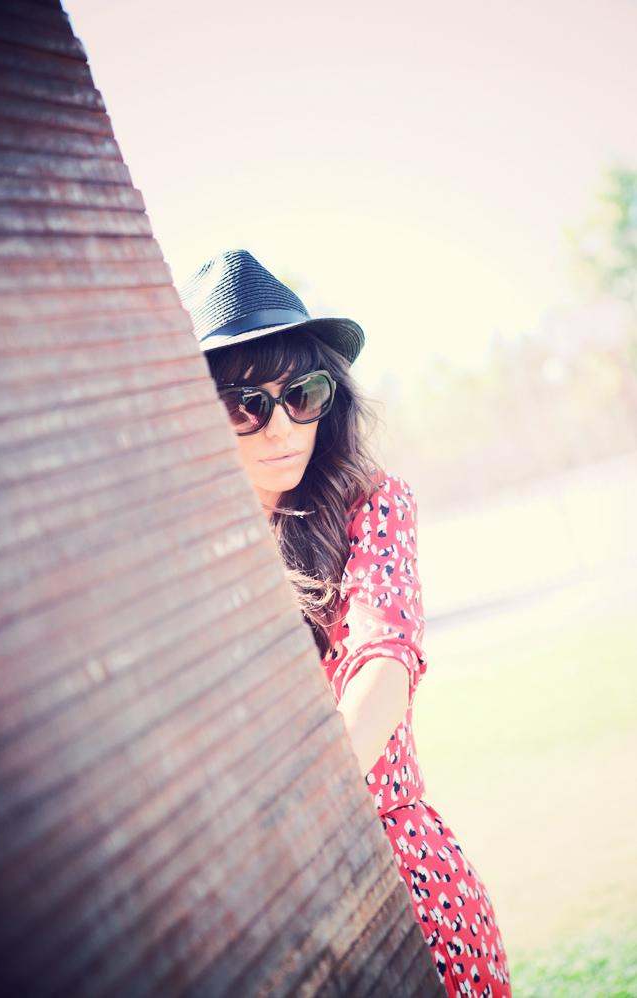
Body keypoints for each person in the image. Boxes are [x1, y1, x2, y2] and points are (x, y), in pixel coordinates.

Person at [179, 249, 512, 997]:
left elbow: (383, 661)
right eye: (244, 404)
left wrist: (288, 826)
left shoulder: (372, 504)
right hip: (265, 921)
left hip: (403, 877)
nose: (281, 426)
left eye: (304, 393)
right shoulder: (187, 562)